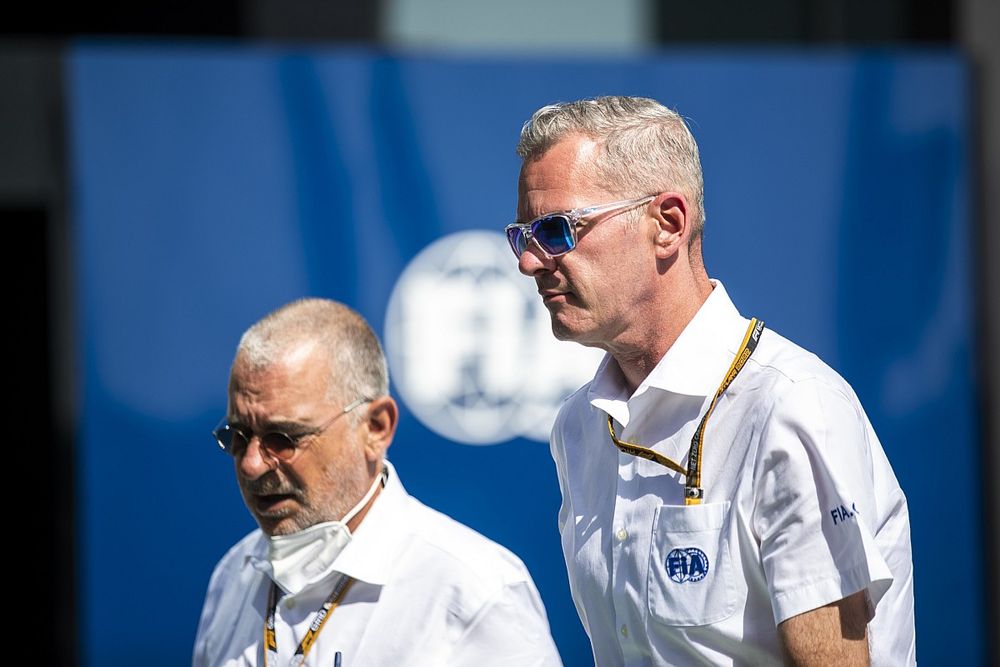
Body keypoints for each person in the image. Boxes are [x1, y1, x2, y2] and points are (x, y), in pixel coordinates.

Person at [505, 96, 915, 666]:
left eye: (557, 230)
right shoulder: (579, 425)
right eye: (523, 235)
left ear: (667, 225)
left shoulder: (789, 406)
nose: (530, 261)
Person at [193, 298, 562, 667]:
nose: (252, 464)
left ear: (376, 427)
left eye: (283, 437)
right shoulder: (234, 574)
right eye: (238, 436)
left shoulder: (475, 591)